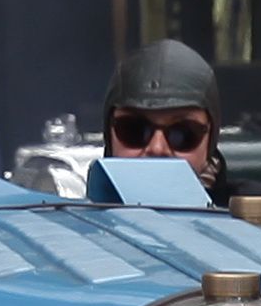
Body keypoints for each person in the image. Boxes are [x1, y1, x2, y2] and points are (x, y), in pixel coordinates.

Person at [99, 38, 231, 201]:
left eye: (183, 134)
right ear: (109, 135)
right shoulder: (69, 218)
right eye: (134, 130)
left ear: (210, 139)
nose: (157, 148)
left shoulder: (256, 220)